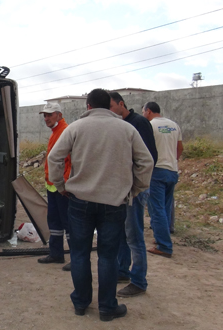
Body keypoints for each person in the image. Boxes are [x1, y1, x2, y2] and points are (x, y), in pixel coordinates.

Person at [47, 88, 153, 322]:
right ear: (109, 106)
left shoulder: (75, 128)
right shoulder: (127, 129)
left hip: (79, 202)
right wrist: (135, 189)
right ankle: (107, 307)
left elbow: (54, 157)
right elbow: (146, 161)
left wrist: (61, 185)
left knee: (80, 254)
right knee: (108, 256)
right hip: (113, 203)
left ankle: (81, 303)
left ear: (88, 107)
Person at [109, 92, 158, 298]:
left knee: (134, 235)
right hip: (121, 189)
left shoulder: (138, 122)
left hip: (134, 190)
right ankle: (122, 271)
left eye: (111, 107)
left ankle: (138, 281)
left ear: (121, 104)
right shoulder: (118, 125)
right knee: (121, 232)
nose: (109, 111)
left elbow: (149, 158)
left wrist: (137, 188)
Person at [142, 101, 183, 258]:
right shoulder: (174, 125)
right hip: (172, 171)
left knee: (156, 209)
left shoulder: (150, 126)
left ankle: (164, 246)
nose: (144, 115)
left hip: (157, 171)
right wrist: (173, 161)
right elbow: (180, 148)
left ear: (149, 111)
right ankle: (162, 237)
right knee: (165, 207)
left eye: (144, 112)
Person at [37, 103, 72, 271]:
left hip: (62, 188)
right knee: (55, 223)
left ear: (59, 114)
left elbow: (71, 161)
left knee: (70, 224)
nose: (46, 118)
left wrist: (64, 182)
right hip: (53, 187)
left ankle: (76, 258)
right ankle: (56, 253)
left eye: (49, 115)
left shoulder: (66, 132)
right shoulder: (56, 132)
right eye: (44, 115)